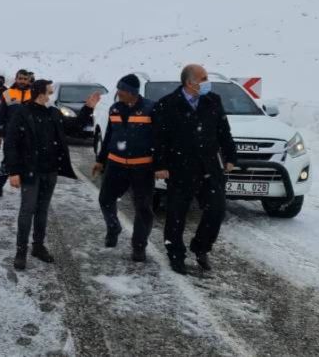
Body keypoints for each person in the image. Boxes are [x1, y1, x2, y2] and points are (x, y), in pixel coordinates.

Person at [5, 79, 101, 270]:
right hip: (30, 171)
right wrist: (13, 171)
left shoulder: (53, 113)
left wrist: (88, 109)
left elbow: (74, 126)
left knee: (42, 211)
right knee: (27, 211)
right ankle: (21, 251)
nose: (51, 96)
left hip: (50, 171)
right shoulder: (22, 113)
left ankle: (38, 247)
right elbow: (11, 143)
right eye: (49, 92)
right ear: (40, 93)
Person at [153, 64, 236, 274]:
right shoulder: (168, 104)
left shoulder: (213, 101)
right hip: (180, 169)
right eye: (204, 77)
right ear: (190, 83)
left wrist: (230, 156)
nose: (208, 81)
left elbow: (224, 131)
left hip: (209, 167)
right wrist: (160, 165)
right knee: (176, 215)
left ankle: (201, 247)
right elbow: (159, 139)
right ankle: (176, 255)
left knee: (216, 210)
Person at [92, 74, 155, 262]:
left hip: (142, 167)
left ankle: (139, 246)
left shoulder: (151, 109)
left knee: (143, 208)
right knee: (105, 200)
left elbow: (160, 139)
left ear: (132, 92)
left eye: (122, 90)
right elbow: (110, 135)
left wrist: (161, 164)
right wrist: (100, 160)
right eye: (118, 89)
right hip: (115, 164)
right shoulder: (115, 109)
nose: (118, 93)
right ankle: (113, 227)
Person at [0, 69, 32, 197]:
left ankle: (27, 191)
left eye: (25, 79)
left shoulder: (33, 93)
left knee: (28, 162)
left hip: (29, 135)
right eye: (20, 78)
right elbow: (0, 115)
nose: (22, 81)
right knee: (9, 161)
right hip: (11, 135)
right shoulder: (7, 93)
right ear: (16, 79)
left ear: (28, 80)